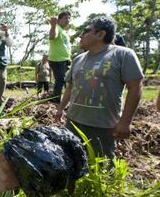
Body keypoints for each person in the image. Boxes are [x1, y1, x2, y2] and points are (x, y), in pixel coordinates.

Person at [54, 16, 143, 159]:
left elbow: (135, 87)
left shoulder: (122, 54)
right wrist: (60, 108)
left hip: (102, 127)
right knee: (72, 161)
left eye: (86, 31)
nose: (81, 35)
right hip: (73, 122)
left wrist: (125, 122)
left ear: (101, 34)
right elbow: (70, 87)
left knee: (102, 167)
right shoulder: (78, 59)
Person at [48, 11, 72, 104]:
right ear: (59, 19)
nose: (68, 20)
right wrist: (53, 25)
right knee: (60, 80)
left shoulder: (63, 31)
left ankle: (60, 99)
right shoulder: (57, 28)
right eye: (65, 18)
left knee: (65, 80)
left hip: (65, 60)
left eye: (69, 18)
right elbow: (52, 37)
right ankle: (56, 101)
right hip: (58, 59)